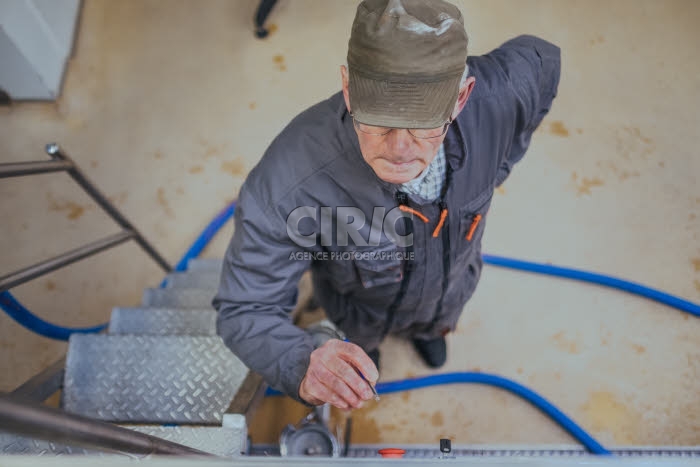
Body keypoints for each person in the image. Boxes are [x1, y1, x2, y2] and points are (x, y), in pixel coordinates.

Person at [213, 0, 560, 410]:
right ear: (348, 88)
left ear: (462, 96)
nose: (398, 151)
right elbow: (245, 306)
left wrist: (497, 167)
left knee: (437, 325)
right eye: (378, 120)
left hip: (450, 292)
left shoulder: (500, 95)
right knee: (361, 355)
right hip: (359, 310)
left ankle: (431, 332)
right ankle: (368, 348)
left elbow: (544, 61)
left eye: (422, 122)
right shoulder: (290, 182)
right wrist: (298, 360)